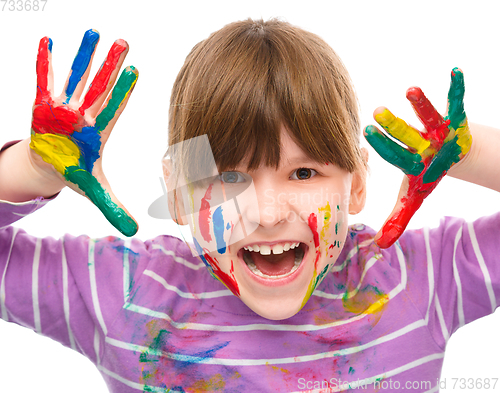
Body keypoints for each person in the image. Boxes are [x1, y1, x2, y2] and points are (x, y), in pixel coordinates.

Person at [0, 19, 499, 392]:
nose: (266, 212)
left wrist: (473, 154)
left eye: (304, 173)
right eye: (228, 176)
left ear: (357, 185)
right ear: (177, 192)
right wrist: (30, 170)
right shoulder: (126, 293)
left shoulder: (421, 280)